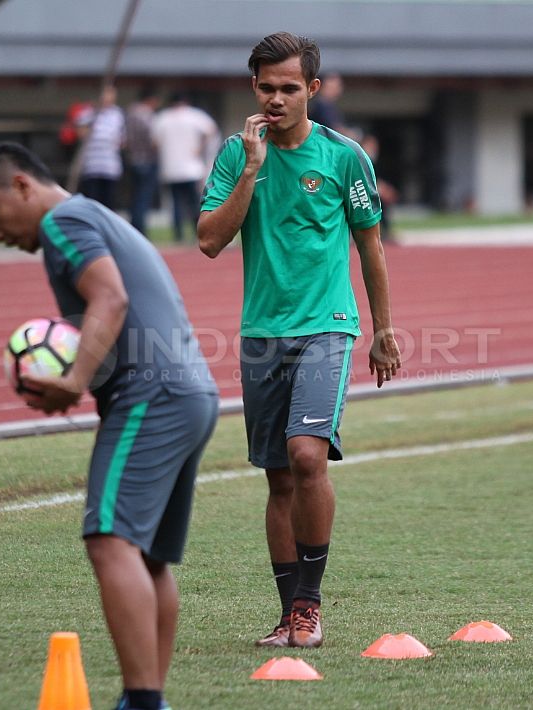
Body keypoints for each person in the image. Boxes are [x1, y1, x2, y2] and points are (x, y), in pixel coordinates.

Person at [0, 143, 219, 710]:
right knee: (148, 555)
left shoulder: (63, 220)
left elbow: (111, 296)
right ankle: (147, 699)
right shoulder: (98, 216)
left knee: (109, 540)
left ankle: (144, 701)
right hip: (192, 392)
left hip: (151, 396)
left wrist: (77, 378)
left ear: (23, 187)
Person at [198, 32, 401, 649]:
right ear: (253, 88)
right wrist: (253, 172)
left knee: (309, 455)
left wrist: (383, 329)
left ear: (312, 89)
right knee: (278, 477)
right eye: (267, 87)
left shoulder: (344, 157)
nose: (277, 97)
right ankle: (288, 616)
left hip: (327, 328)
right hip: (261, 333)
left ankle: (310, 606)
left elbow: (370, 245)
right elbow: (209, 239)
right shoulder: (238, 155)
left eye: (290, 87)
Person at [151, 91, 218, 243]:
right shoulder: (194, 115)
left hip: (170, 168)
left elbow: (154, 143)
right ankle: (197, 231)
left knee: (175, 203)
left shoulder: (162, 118)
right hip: (190, 168)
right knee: (194, 202)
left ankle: (178, 234)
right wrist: (200, 148)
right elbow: (211, 130)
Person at [76, 85, 126, 209]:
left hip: (110, 166)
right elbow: (81, 134)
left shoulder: (117, 114)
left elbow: (122, 139)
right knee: (93, 202)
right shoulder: (87, 114)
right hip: (92, 165)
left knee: (109, 202)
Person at [124, 86, 162, 236]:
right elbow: (153, 140)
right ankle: (140, 229)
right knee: (143, 197)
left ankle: (133, 228)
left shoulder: (129, 114)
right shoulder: (147, 116)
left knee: (134, 197)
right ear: (151, 100)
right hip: (146, 159)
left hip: (132, 159)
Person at [308, 71, 351, 136]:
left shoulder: (330, 106)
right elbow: (333, 129)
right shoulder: (321, 106)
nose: (337, 90)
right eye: (333, 87)